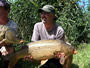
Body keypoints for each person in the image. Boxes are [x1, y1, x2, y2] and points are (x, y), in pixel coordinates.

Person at [0, 0, 18, 68]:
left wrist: (3, 46)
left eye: (0, 7)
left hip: (6, 45)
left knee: (9, 51)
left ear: (7, 10)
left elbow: (9, 42)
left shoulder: (13, 25)